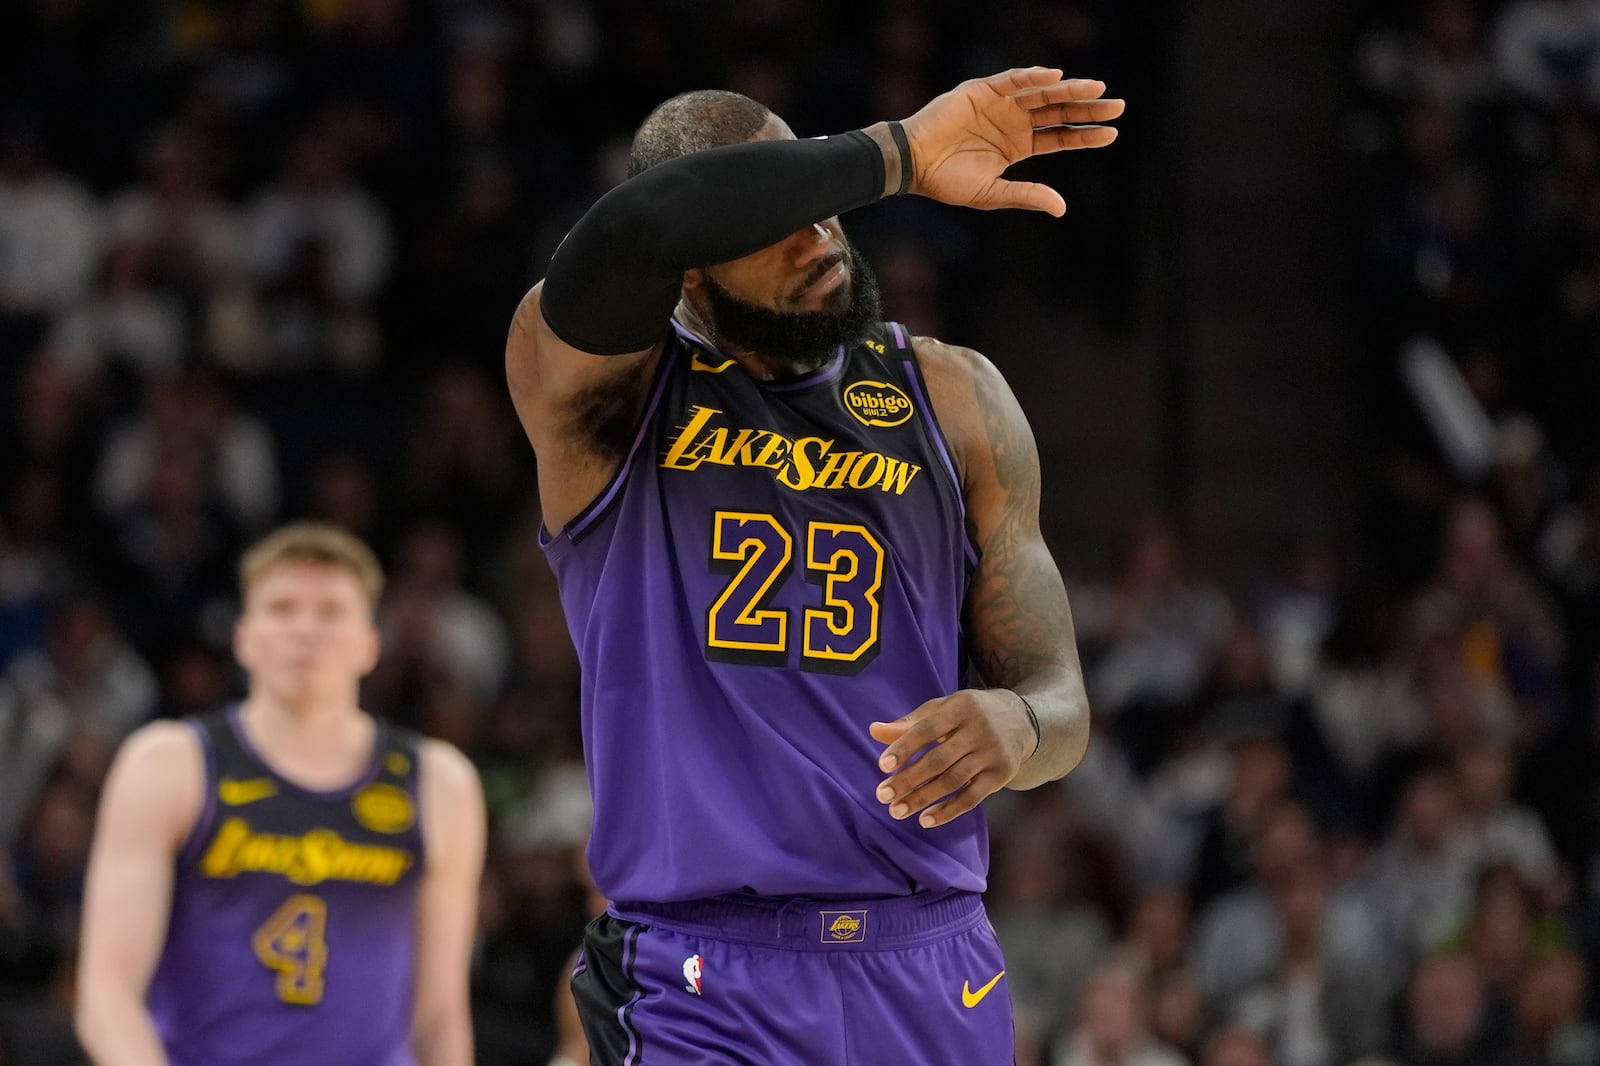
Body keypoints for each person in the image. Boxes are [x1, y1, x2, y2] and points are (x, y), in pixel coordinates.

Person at [505, 66, 1117, 1063]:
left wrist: (1020, 722)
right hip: (702, 976)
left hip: (931, 960)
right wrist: (901, 153)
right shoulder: (602, 401)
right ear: (690, 272)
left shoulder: (957, 396)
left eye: (820, 201)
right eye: (775, 213)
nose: (818, 233)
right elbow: (630, 231)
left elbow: (1061, 704)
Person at [73, 522, 486, 1066]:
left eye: (331, 611)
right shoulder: (169, 764)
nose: (305, 630)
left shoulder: (440, 783)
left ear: (370, 644)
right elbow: (107, 994)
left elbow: (439, 1018)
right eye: (282, 608)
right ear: (244, 637)